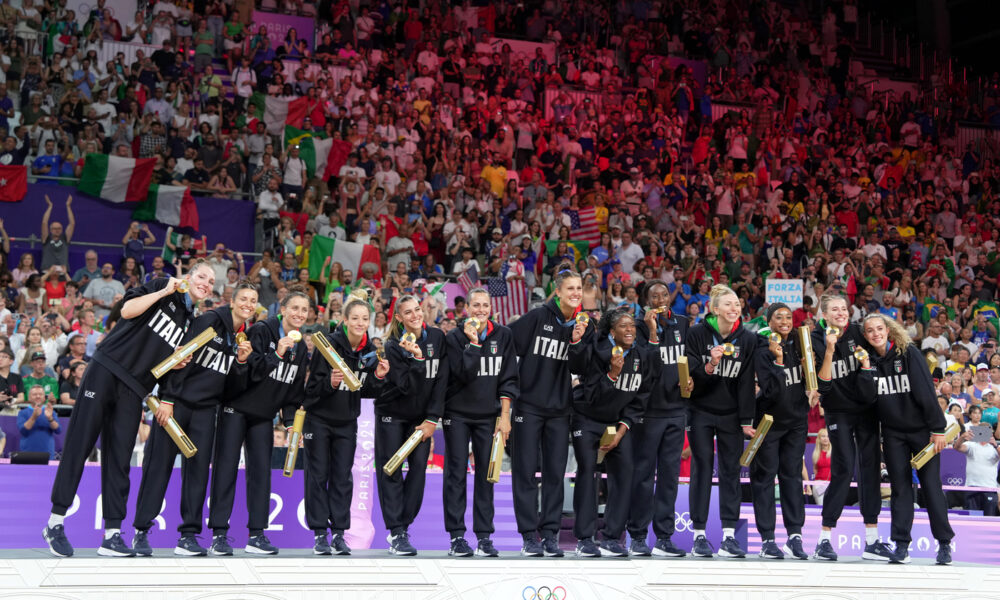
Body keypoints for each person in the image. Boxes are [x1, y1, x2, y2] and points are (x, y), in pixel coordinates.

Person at [44, 261, 214, 559]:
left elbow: (160, 358)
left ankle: (111, 535)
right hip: (106, 369)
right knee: (79, 445)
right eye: (202, 276)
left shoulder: (190, 320)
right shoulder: (163, 284)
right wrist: (164, 291)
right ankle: (55, 523)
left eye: (212, 282)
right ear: (189, 276)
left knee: (120, 457)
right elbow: (126, 310)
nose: (206, 283)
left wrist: (177, 360)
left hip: (136, 388)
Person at [131, 281, 256, 557]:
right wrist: (168, 398)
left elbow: (230, 387)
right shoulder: (210, 320)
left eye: (253, 300)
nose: (248, 303)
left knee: (197, 473)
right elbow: (181, 358)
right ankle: (140, 531)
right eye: (244, 298)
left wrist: (242, 364)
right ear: (232, 301)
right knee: (157, 467)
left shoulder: (242, 339)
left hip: (205, 410)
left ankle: (188, 536)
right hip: (175, 405)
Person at [207, 290, 311, 556]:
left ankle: (257, 534)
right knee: (226, 469)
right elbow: (249, 372)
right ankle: (219, 534)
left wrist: (290, 423)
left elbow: (293, 391)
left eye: (304, 310)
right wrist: (277, 352)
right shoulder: (262, 331)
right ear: (283, 309)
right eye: (295, 308)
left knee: (261, 474)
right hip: (236, 408)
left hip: (263, 415)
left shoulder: (301, 349)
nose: (299, 314)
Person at [508, 270, 592, 557]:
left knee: (556, 474)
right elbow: (509, 347)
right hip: (528, 407)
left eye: (579, 288)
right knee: (525, 473)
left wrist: (578, 342)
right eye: (570, 288)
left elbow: (581, 367)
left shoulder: (582, 324)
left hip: (559, 410)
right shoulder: (536, 317)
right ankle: (529, 535)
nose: (575, 293)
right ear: (557, 291)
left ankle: (551, 534)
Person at [860, 313, 954, 565]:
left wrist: (937, 429)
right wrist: (866, 371)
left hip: (923, 432)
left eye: (879, 328)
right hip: (892, 434)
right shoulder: (866, 361)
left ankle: (944, 544)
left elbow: (926, 391)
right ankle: (901, 545)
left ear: (888, 330)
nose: (875, 333)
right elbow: (868, 399)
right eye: (870, 331)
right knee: (900, 488)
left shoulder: (909, 353)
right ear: (865, 336)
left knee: (931, 487)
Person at [302, 294, 389, 556]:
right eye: (355, 318)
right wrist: (329, 382)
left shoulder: (368, 351)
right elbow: (311, 390)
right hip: (318, 420)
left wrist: (379, 377)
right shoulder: (326, 344)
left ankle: (339, 534)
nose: (360, 322)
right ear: (344, 320)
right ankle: (319, 534)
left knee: (342, 478)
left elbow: (365, 390)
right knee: (317, 477)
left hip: (346, 423)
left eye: (365, 318)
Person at [812, 293, 891, 561]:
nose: (841, 312)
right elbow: (821, 383)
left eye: (844, 308)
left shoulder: (859, 332)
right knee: (843, 469)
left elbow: (881, 355)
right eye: (834, 309)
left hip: (866, 409)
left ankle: (872, 540)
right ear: (824, 315)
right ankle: (824, 539)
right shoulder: (814, 339)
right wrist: (830, 349)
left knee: (870, 470)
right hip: (838, 410)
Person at [441, 287, 518, 557]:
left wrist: (505, 416)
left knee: (488, 475)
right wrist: (473, 343)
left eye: (485, 305)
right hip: (457, 414)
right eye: (476, 305)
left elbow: (509, 378)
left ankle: (484, 537)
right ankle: (457, 537)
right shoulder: (453, 337)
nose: (481, 310)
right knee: (455, 475)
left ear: (491, 307)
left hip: (490, 417)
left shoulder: (504, 335)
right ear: (467, 309)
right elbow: (461, 374)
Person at [572, 307, 653, 557]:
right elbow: (592, 396)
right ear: (611, 331)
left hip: (617, 422)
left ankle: (610, 538)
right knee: (587, 472)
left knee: (625, 472)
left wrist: (622, 429)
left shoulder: (642, 355)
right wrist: (613, 375)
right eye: (623, 326)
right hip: (587, 417)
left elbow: (641, 396)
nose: (630, 330)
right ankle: (584, 538)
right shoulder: (597, 352)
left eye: (632, 326)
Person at [684, 284, 757, 558]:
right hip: (700, 409)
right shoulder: (696, 334)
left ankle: (728, 535)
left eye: (737, 303)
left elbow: (746, 383)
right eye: (728, 304)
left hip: (731, 415)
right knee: (701, 468)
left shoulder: (747, 339)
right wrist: (710, 365)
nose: (734, 308)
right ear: (715, 309)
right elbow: (691, 377)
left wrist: (746, 420)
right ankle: (699, 535)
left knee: (730, 472)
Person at [374, 294, 447, 555]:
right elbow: (404, 387)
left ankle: (402, 527)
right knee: (391, 470)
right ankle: (397, 532)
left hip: (421, 419)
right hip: (392, 414)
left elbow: (442, 380)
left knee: (418, 471)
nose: (415, 315)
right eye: (408, 312)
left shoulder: (438, 338)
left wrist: (432, 419)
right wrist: (417, 360)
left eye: (417, 309)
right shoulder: (393, 345)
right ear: (399, 318)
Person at [628, 280, 690, 558]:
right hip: (647, 413)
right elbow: (641, 363)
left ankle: (664, 537)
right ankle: (638, 536)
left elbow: (692, 362)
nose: (661, 299)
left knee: (669, 477)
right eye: (655, 296)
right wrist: (652, 331)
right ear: (646, 301)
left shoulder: (683, 324)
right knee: (642, 476)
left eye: (664, 294)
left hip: (676, 411)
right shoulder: (637, 328)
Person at [751, 303, 812, 559]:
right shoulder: (761, 348)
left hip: (796, 422)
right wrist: (778, 361)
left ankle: (795, 536)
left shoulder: (799, 344)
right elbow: (770, 391)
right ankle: (767, 539)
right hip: (768, 422)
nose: (785, 321)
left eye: (788, 316)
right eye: (779, 317)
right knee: (765, 479)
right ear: (769, 321)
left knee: (792, 478)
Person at [953, 411, 1000, 516]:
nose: (984, 434)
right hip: (971, 488)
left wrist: (995, 445)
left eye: (987, 431)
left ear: (991, 433)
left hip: (989, 488)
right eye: (981, 431)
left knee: (989, 519)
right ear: (977, 431)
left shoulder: (995, 448)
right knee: (971, 518)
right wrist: (962, 437)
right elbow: (957, 447)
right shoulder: (971, 445)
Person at [18, 384, 60, 458]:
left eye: (40, 394)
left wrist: (50, 418)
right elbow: (23, 430)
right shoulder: (22, 413)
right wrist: (34, 417)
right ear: (29, 397)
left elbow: (58, 430)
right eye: (34, 394)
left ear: (44, 397)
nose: (38, 396)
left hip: (47, 454)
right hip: (27, 454)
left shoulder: (50, 411)